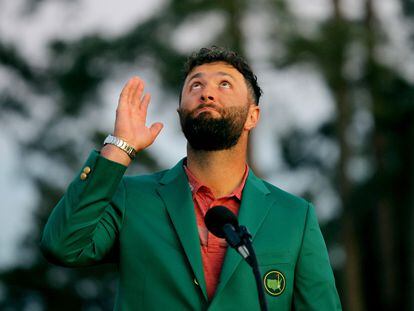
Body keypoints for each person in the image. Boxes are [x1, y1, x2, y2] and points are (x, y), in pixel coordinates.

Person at [40, 46, 341, 310]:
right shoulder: (133, 197)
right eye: (195, 85)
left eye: (224, 84)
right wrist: (120, 147)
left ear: (253, 116)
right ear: (180, 111)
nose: (207, 92)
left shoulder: (294, 218)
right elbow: (64, 245)